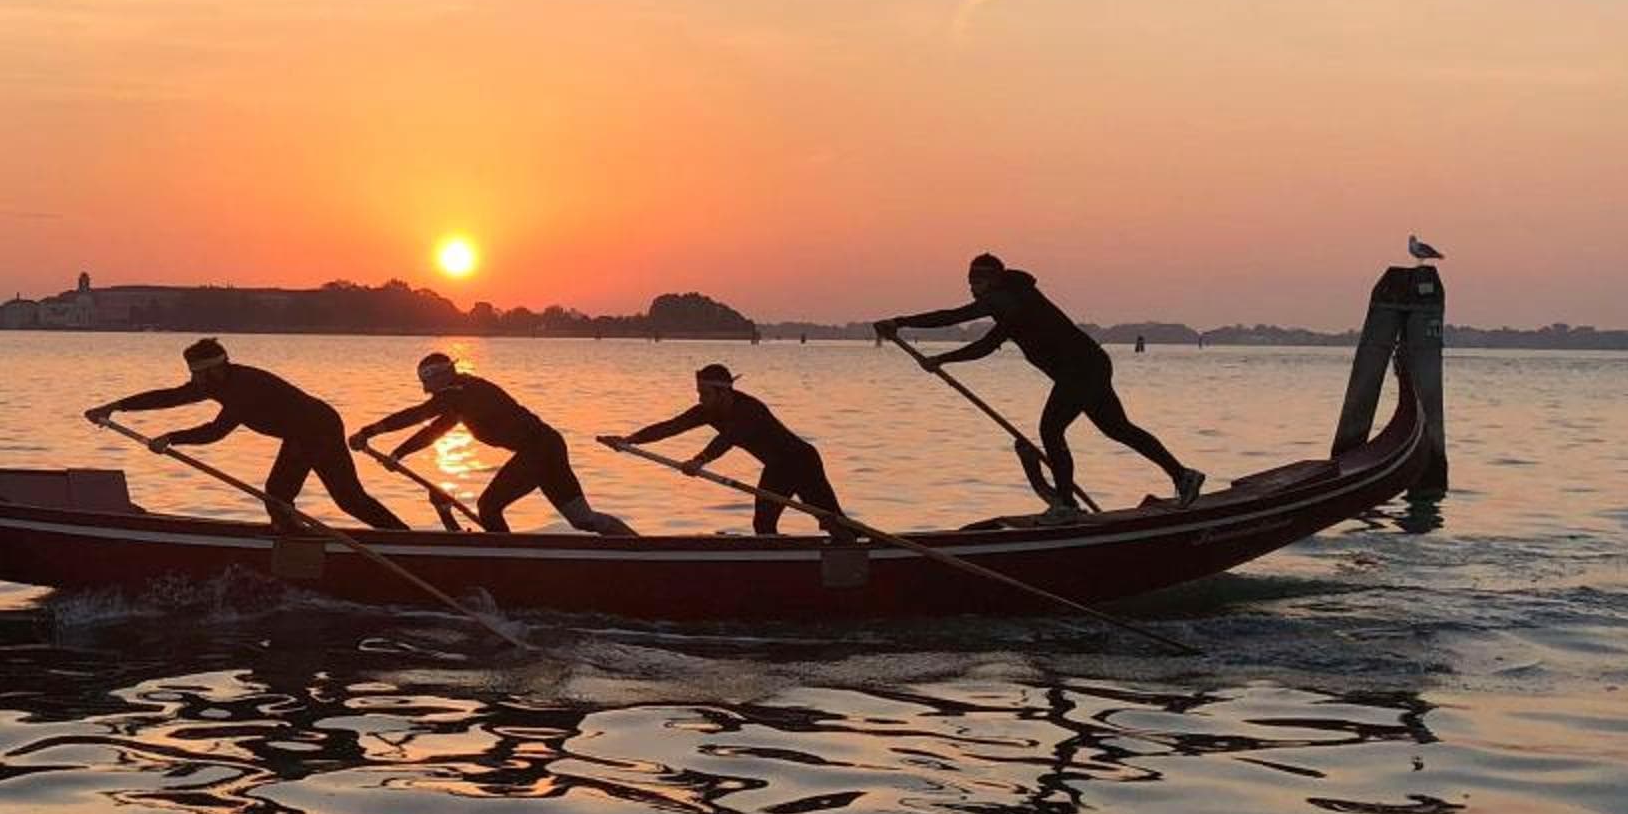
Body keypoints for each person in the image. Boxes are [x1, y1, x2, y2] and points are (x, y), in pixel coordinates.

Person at [875, 254, 1204, 508]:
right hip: (1089, 366)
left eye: (977, 280)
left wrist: (910, 331)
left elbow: (966, 328)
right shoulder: (1010, 300)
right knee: (1117, 429)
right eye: (970, 279)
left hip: (1081, 370)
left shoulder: (1008, 300)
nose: (972, 286)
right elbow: (976, 334)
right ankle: (1182, 475)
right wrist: (915, 335)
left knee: (1052, 430)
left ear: (992, 280)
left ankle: (1066, 505)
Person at [87, 339, 408, 531]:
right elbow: (169, 396)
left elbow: (216, 431)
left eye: (198, 374)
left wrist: (172, 437)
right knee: (341, 499)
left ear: (215, 368)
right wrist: (114, 406)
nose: (194, 381)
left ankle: (400, 541)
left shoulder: (243, 388)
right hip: (310, 428)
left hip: (316, 428)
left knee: (287, 494)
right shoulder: (215, 383)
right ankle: (396, 537)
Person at [351, 352, 636, 536]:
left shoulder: (461, 392)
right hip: (549, 445)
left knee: (488, 507)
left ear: (442, 376)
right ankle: (635, 545)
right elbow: (434, 431)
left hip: (539, 449)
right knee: (582, 520)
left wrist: (369, 431)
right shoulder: (459, 398)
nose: (427, 391)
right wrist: (398, 453)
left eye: (429, 383)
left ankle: (509, 561)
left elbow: (417, 415)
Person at [617, 363, 850, 536]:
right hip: (777, 468)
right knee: (763, 526)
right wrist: (630, 440)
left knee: (833, 521)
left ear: (723, 392)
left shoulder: (749, 409)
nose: (700, 399)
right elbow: (672, 426)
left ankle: (865, 553)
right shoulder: (707, 410)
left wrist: (700, 460)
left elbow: (729, 439)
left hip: (801, 462)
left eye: (705, 394)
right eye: (699, 393)